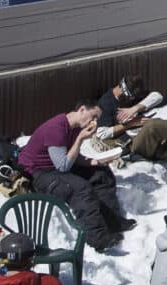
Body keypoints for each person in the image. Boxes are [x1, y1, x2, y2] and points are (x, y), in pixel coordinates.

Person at [17, 99, 127, 250]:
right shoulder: (56, 129)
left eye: (97, 119)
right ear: (82, 110)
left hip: (55, 166)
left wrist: (95, 162)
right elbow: (63, 166)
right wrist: (81, 139)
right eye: (93, 116)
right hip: (38, 173)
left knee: (102, 174)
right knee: (80, 189)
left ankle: (113, 222)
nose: (94, 121)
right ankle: (97, 238)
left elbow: (72, 156)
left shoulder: (75, 127)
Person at [95, 73, 167, 190]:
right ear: (122, 89)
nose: (131, 100)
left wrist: (135, 108)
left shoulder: (133, 98)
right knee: (153, 125)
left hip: (154, 144)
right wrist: (131, 123)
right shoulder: (107, 103)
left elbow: (157, 96)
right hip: (133, 145)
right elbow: (101, 133)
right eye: (130, 97)